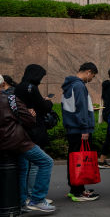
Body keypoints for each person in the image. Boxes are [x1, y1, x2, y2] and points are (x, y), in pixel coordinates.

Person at [2, 85, 56, 213]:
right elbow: (30, 121)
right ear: (3, 85)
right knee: (46, 162)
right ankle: (37, 199)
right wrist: (29, 114)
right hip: (17, 140)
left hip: (4, 143)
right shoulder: (10, 99)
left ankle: (20, 203)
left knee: (22, 168)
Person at [61, 61, 100, 201]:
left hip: (72, 128)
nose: (92, 79)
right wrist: (84, 128)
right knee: (80, 160)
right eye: (93, 76)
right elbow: (81, 108)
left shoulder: (69, 85)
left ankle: (75, 188)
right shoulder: (78, 86)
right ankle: (78, 191)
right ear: (88, 72)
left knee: (74, 159)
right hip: (79, 129)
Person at [14, 64, 53, 200]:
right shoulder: (32, 88)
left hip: (21, 131)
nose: (41, 79)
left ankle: (24, 197)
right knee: (39, 163)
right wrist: (48, 102)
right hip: (35, 129)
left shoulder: (18, 87)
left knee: (24, 167)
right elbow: (43, 107)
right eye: (41, 76)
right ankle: (34, 196)